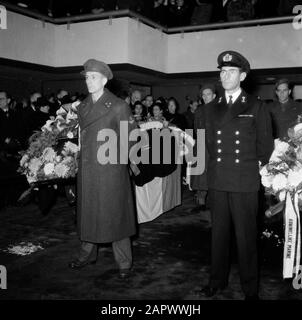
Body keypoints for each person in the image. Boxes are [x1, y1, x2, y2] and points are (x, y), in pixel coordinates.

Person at [198, 51, 273, 300]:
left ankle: (250, 288)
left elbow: (265, 147)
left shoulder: (256, 105)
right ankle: (216, 281)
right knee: (218, 235)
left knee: (246, 238)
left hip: (244, 181)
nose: (224, 75)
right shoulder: (210, 109)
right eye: (222, 71)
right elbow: (208, 145)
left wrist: (255, 172)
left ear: (242, 76)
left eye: (230, 71)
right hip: (219, 179)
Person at [69, 59, 137, 279]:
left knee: (115, 216)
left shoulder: (118, 105)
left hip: (110, 172)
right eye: (86, 77)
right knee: (88, 214)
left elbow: (131, 139)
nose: (89, 81)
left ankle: (124, 262)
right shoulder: (82, 106)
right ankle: (86, 255)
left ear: (105, 80)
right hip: (88, 171)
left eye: (93, 77)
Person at [191, 83, 216, 211]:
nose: (206, 97)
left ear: (214, 96)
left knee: (213, 173)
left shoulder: (219, 110)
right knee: (200, 174)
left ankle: (213, 200)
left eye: (208, 94)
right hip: (201, 143)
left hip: (215, 144)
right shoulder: (199, 110)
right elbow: (196, 128)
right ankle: (200, 199)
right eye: (204, 95)